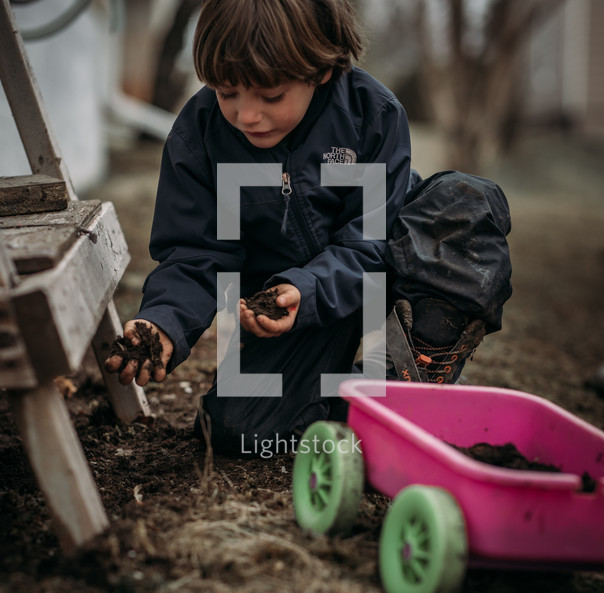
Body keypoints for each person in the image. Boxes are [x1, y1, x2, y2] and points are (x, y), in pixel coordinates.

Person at [104, 0, 414, 455]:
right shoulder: (200, 135)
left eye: (271, 96)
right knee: (233, 430)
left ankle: (418, 371)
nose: (246, 115)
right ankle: (364, 409)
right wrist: (165, 322)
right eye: (227, 92)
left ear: (320, 70)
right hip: (293, 318)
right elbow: (196, 254)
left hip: (380, 288)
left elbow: (369, 246)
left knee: (464, 206)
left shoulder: (371, 116)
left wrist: (309, 287)